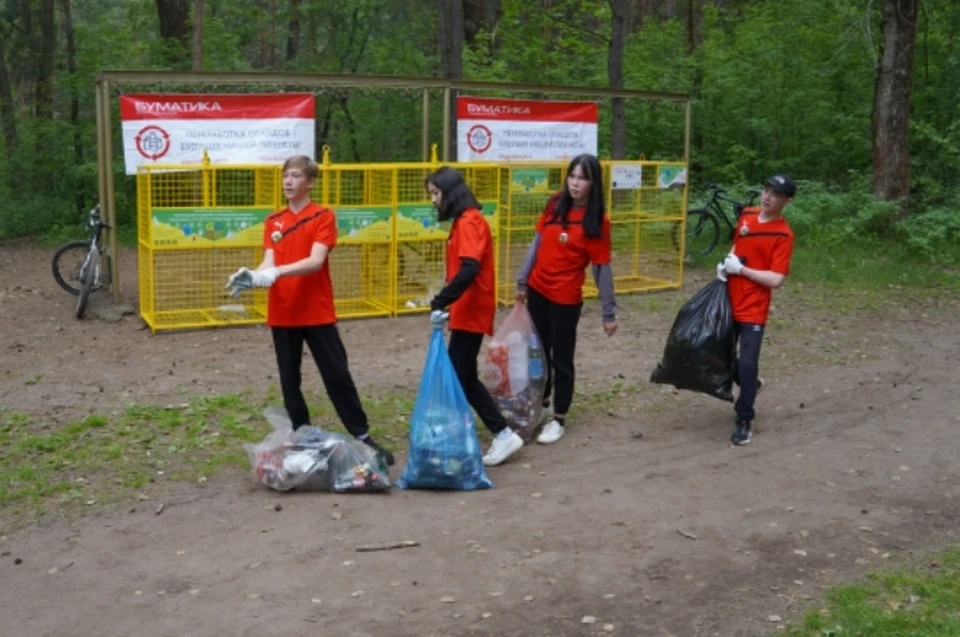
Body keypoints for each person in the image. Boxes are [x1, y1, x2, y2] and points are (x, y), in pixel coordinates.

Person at [225, 155, 394, 466]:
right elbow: (268, 263)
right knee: (290, 381)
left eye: (296, 176)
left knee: (337, 376)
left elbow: (316, 261)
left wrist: (275, 273)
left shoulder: (323, 216)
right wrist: (254, 275)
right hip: (283, 313)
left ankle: (362, 436)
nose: (288, 182)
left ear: (310, 182)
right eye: (285, 176)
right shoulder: (273, 220)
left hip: (316, 312)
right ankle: (301, 437)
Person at [514, 154, 618, 445]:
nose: (575, 183)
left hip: (565, 299)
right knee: (537, 354)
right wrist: (522, 281)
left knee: (561, 360)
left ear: (593, 182)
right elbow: (537, 244)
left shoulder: (597, 221)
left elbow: (601, 268)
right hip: (537, 290)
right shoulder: (555, 204)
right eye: (572, 176)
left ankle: (558, 418)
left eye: (582, 178)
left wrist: (609, 312)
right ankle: (541, 402)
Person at [426, 166, 525, 467]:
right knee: (463, 375)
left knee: (460, 376)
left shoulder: (470, 221)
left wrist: (443, 300)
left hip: (471, 310)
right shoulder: (463, 222)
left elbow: (469, 268)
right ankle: (495, 432)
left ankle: (500, 433)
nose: (432, 200)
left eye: (435, 193)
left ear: (449, 192)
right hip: (464, 310)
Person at [718, 174, 796, 446]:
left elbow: (776, 279)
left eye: (775, 194)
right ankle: (750, 383)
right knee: (721, 356)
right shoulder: (748, 215)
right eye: (766, 189)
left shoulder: (783, 235)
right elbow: (737, 245)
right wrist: (726, 264)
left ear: (786, 201)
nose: (767, 197)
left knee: (748, 364)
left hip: (753, 308)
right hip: (729, 301)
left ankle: (744, 419)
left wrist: (743, 270)